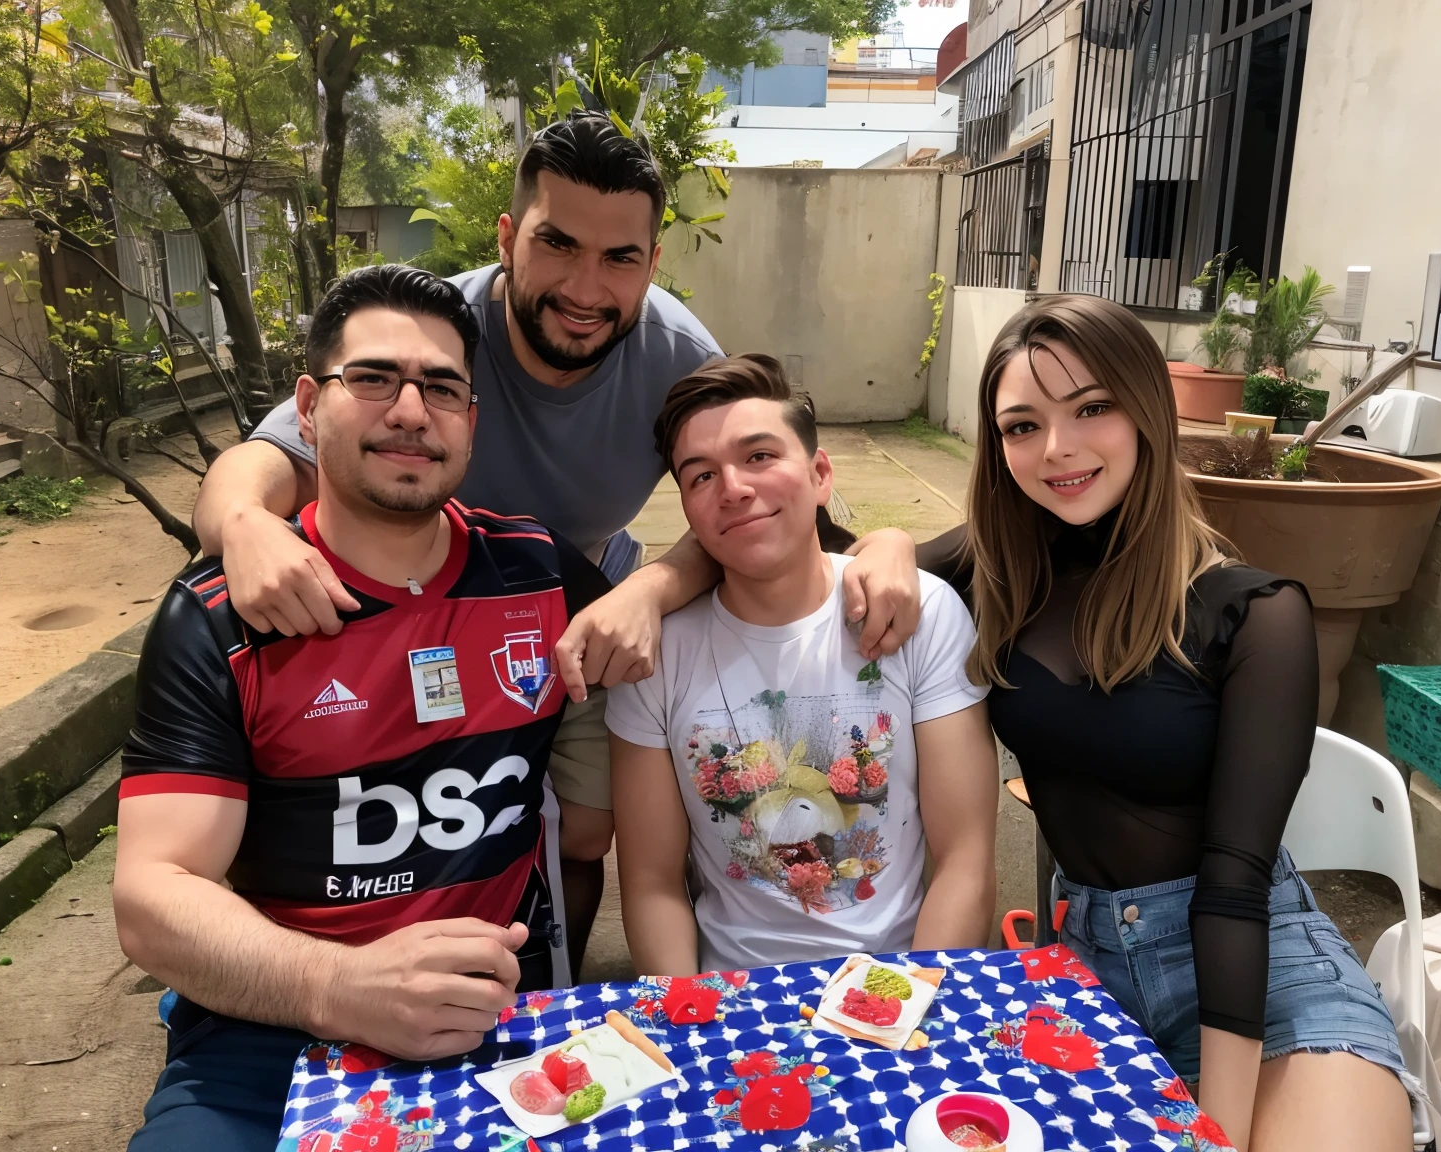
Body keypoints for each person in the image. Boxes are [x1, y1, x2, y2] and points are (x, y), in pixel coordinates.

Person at [189, 112, 922, 975]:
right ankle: (276, 963)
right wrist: (242, 527)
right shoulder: (437, 340)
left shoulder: (676, 352)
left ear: (652, 264)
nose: (584, 286)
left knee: (583, 831)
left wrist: (877, 541)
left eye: (619, 258)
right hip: (411, 593)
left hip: (570, 599)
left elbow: (753, 495)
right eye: (557, 244)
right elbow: (267, 459)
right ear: (508, 237)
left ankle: (545, 982)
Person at [114, 265, 609, 1150]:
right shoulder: (219, 619)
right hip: (269, 1030)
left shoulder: (538, 573)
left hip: (498, 1018)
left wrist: (873, 548)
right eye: (374, 379)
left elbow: (742, 583)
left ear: (471, 422)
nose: (411, 411)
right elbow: (153, 897)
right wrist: (341, 987)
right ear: (307, 408)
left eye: (442, 388)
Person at [917, 296, 1417, 1152]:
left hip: (1262, 972)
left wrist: (1213, 1131)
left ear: (1147, 409)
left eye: (1093, 408)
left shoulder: (1256, 614)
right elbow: (794, 558)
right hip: (1084, 965)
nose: (1057, 449)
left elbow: (1234, 889)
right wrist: (665, 580)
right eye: (1022, 425)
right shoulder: (999, 563)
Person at [607, 355, 998, 975]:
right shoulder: (657, 657)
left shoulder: (920, 615)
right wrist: (688, 1017)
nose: (733, 487)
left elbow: (965, 861)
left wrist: (907, 1006)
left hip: (900, 982)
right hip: (731, 998)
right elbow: (652, 885)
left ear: (820, 475)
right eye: (701, 475)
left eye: (759, 456)